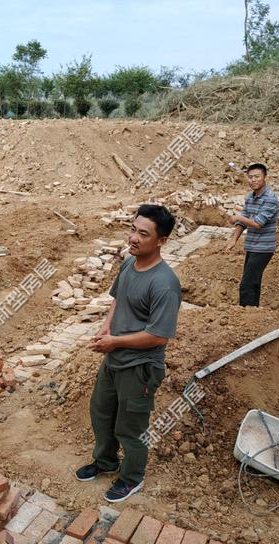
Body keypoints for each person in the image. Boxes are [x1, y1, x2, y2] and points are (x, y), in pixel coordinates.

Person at [75, 204, 181, 503]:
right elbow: (118, 300)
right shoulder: (128, 265)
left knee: (131, 427)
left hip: (139, 367)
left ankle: (131, 477)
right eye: (133, 229)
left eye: (143, 234)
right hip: (114, 359)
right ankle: (105, 462)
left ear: (161, 240)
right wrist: (106, 329)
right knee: (101, 412)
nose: (133, 238)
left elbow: (158, 336)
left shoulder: (165, 284)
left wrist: (115, 342)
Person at [226, 163, 279, 307]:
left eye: (257, 177)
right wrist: (234, 239)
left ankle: (244, 314)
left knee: (247, 284)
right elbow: (244, 221)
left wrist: (238, 217)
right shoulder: (250, 197)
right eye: (250, 177)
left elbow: (257, 223)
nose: (253, 180)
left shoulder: (271, 198)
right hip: (251, 246)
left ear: (265, 178)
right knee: (253, 283)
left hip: (263, 248)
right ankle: (252, 313)